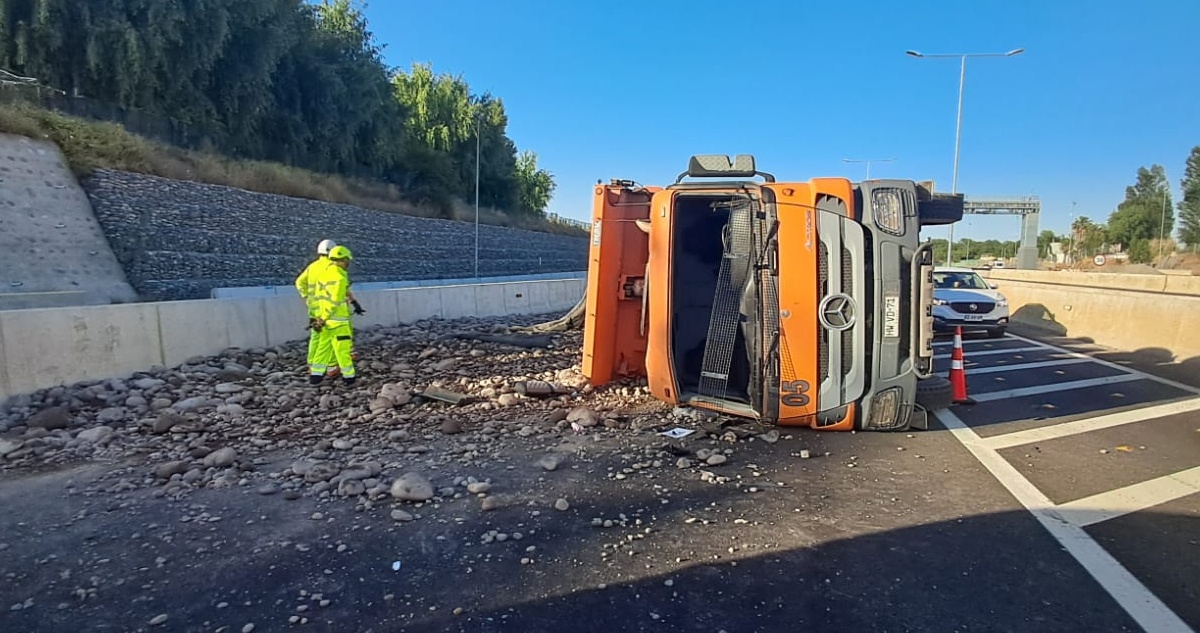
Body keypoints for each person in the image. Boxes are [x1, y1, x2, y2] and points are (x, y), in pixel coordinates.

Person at [308, 245, 357, 386]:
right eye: (347, 261)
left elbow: (318, 298)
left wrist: (319, 317)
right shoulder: (340, 278)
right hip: (338, 322)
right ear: (343, 260)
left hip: (324, 321)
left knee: (323, 348)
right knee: (342, 351)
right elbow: (335, 301)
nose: (348, 263)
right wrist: (325, 317)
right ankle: (349, 378)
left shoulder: (322, 276)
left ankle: (316, 376)